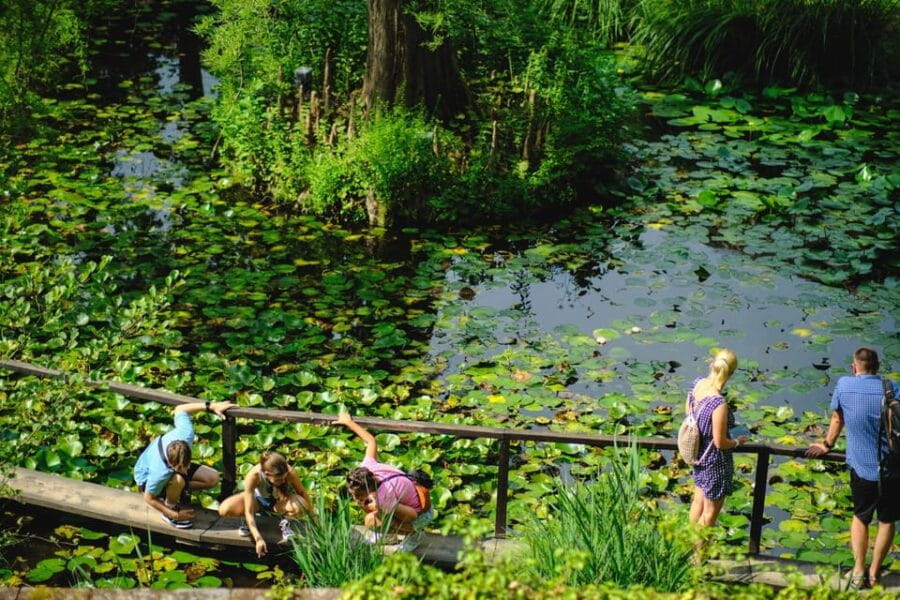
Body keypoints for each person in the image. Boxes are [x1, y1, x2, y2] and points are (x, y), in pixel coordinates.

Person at [806, 347, 899, 589]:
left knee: (860, 517)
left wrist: (827, 444)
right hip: (892, 468)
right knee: (887, 521)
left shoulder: (845, 385)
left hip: (862, 468)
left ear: (854, 366)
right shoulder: (891, 387)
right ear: (877, 367)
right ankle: (875, 573)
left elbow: (838, 418)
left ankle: (858, 572)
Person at [134, 400, 235, 529]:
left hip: (169, 466)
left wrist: (211, 406)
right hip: (145, 478)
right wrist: (174, 514)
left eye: (187, 466)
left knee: (212, 478)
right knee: (179, 479)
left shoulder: (186, 434)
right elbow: (149, 498)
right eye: (182, 468)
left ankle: (176, 491)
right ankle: (170, 508)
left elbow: (180, 409)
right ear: (172, 465)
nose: (187, 471)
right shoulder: (159, 472)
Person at [335, 412, 432, 537]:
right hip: (408, 497)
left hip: (421, 516)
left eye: (358, 494)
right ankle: (390, 535)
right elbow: (371, 441)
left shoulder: (384, 497)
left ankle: (414, 535)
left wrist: (380, 508)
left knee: (371, 521)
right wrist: (349, 423)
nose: (355, 497)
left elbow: (412, 515)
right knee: (372, 510)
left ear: (369, 489)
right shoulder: (368, 466)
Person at [687, 349, 747, 535]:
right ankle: (699, 558)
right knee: (710, 514)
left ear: (712, 364)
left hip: (698, 455)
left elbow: (689, 416)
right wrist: (737, 442)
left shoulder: (696, 385)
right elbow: (720, 442)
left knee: (697, 503)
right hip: (715, 463)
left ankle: (686, 548)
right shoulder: (718, 403)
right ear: (731, 373)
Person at [217, 450, 314, 557]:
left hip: (280, 503)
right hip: (258, 501)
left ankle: (285, 523)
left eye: (284, 478)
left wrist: (313, 517)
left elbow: (302, 492)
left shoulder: (290, 472)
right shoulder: (254, 475)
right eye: (278, 479)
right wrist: (258, 539)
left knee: (301, 504)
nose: (282, 481)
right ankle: (248, 524)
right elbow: (248, 511)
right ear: (267, 474)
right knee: (225, 509)